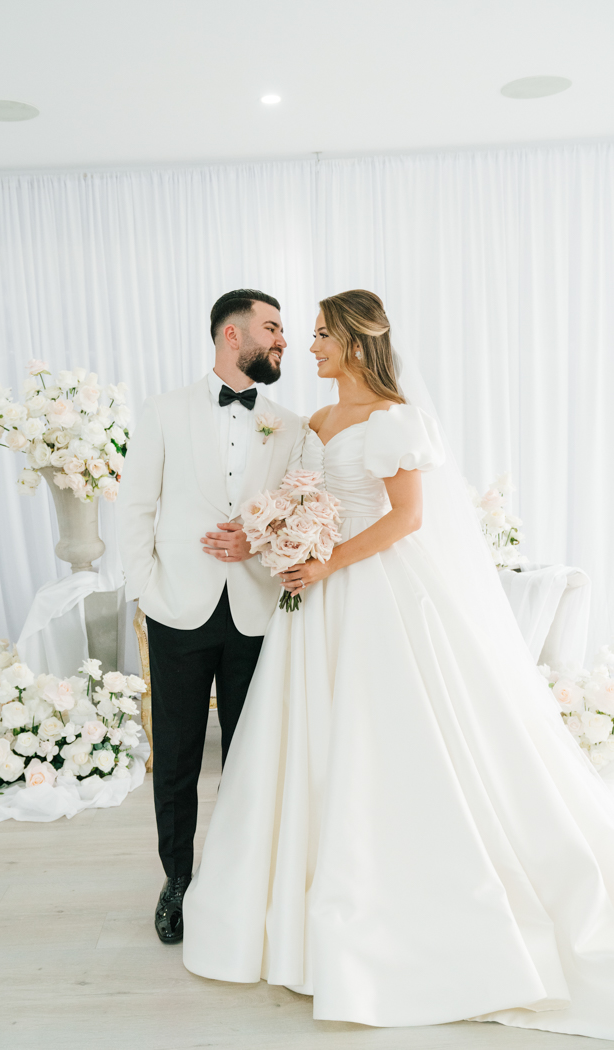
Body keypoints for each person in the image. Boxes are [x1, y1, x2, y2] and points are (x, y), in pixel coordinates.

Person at [183, 289, 614, 1041]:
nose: (309, 348)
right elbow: (295, 498)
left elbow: (407, 518)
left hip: (371, 593)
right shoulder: (314, 421)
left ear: (355, 342)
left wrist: (325, 564)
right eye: (307, 335)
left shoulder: (395, 420)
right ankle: (293, 902)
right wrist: (262, 538)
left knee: (382, 742)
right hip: (311, 604)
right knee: (308, 745)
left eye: (321, 336)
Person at [118, 289, 305, 944]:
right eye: (273, 327)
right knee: (174, 754)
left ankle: (235, 880)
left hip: (257, 609)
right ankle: (177, 879)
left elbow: (295, 515)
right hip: (178, 608)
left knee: (249, 756)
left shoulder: (292, 425)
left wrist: (257, 543)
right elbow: (136, 507)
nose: (284, 339)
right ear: (232, 334)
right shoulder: (163, 411)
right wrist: (146, 592)